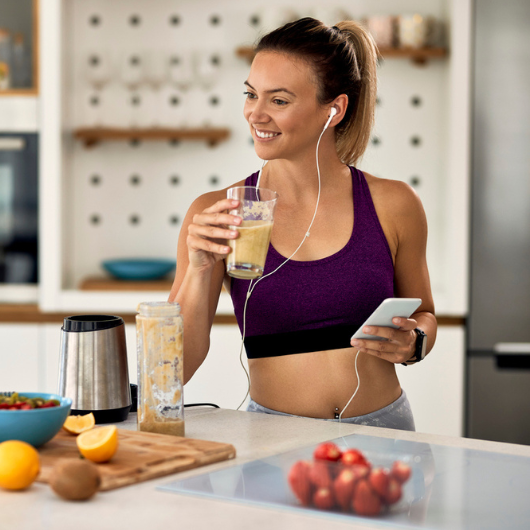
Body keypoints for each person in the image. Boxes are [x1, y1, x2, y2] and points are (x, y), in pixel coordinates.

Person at [168, 18, 436, 431]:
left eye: (279, 100)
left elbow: (426, 316)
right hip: (272, 440)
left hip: (386, 434)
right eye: (250, 94)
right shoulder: (218, 213)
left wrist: (414, 341)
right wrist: (200, 267)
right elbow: (171, 372)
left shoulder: (395, 204)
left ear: (335, 109)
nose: (255, 113)